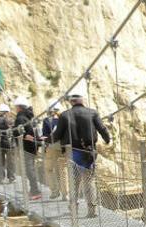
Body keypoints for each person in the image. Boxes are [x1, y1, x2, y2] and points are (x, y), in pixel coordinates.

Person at [52, 85, 111, 218]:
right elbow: (102, 129)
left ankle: (73, 209)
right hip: (89, 152)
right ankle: (92, 210)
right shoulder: (93, 113)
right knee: (89, 181)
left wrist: (46, 141)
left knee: (74, 182)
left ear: (71, 101)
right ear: (82, 100)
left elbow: (56, 135)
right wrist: (107, 139)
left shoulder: (64, 115)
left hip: (72, 152)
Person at [12, 96, 41, 199]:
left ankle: (35, 192)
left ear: (19, 107)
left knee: (29, 170)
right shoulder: (30, 117)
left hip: (25, 147)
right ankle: (33, 190)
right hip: (33, 146)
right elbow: (32, 130)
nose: (15, 109)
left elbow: (16, 132)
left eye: (16, 107)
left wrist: (23, 136)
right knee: (31, 169)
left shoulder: (20, 118)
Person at [41, 102, 66, 199]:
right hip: (64, 147)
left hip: (52, 147)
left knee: (49, 169)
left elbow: (45, 135)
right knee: (63, 171)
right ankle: (65, 194)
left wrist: (43, 140)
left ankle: (55, 191)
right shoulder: (65, 120)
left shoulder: (47, 121)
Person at [0, 103, 15, 183]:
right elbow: (13, 130)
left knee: (0, 161)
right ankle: (11, 177)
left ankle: (0, 178)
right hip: (9, 143)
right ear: (6, 112)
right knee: (10, 161)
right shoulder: (9, 120)